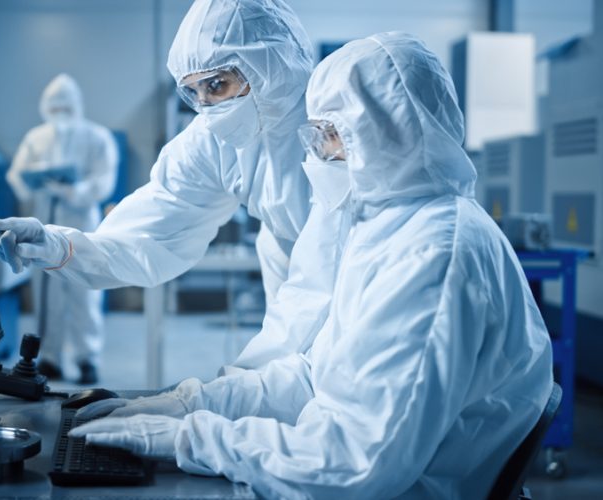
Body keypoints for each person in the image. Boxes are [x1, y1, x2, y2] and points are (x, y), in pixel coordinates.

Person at [67, 33, 554, 499]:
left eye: (331, 135)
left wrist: (189, 439)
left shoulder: (433, 257)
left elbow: (352, 464)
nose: (319, 155)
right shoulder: (390, 228)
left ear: (387, 133)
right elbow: (315, 375)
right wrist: (193, 403)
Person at [0, 0, 321, 373]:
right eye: (194, 92)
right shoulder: (212, 140)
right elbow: (152, 232)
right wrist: (58, 246)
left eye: (216, 84)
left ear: (271, 65)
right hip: (290, 302)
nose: (206, 106)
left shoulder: (345, 122)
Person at [4, 73, 120, 384]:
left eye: (65, 107)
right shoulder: (36, 138)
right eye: (54, 108)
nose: (60, 114)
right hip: (44, 223)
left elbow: (104, 181)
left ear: (76, 106)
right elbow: (16, 176)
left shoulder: (97, 137)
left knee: (84, 292)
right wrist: (36, 180)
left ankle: (87, 359)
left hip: (83, 224)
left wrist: (74, 191)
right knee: (47, 294)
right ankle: (49, 357)